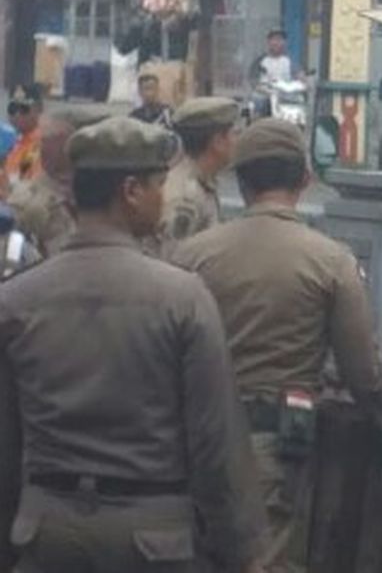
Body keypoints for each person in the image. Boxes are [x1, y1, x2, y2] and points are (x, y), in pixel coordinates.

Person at [0, 116, 265, 573]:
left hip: (47, 533)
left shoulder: (17, 299)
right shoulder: (182, 298)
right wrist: (240, 550)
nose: (164, 197)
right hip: (154, 539)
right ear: (130, 192)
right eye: (158, 184)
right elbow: (214, 441)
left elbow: (6, 441)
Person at [173, 119, 380, 573]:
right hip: (277, 443)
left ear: (239, 181)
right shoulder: (331, 261)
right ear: (305, 180)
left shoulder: (191, 255)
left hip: (194, 438)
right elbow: (363, 374)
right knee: (266, 559)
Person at [9, 106, 106, 258]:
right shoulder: (27, 200)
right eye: (44, 140)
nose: (43, 147)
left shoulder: (109, 194)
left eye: (51, 140)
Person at [158, 96, 239, 247]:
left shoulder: (202, 183)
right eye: (233, 133)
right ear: (218, 142)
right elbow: (174, 259)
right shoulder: (186, 198)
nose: (237, 140)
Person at [3, 85, 43, 186]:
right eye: (12, 109)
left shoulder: (41, 143)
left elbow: (22, 178)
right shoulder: (13, 140)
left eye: (24, 109)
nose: (17, 114)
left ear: (38, 109)